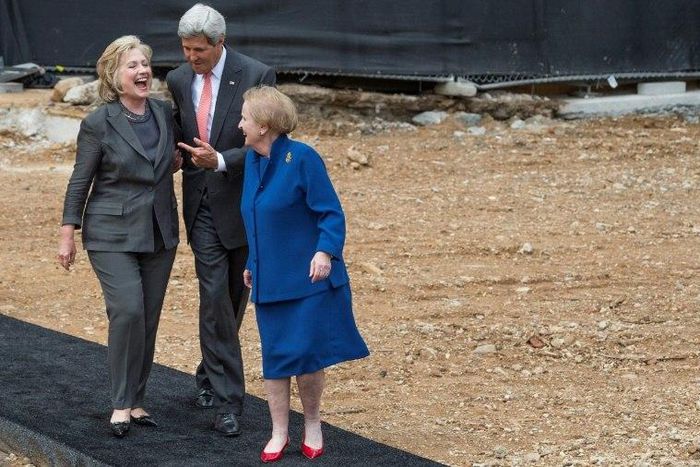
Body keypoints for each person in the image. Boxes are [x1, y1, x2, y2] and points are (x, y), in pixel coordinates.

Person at [57, 35, 180, 438]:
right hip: (110, 232)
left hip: (159, 231)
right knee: (127, 311)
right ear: (114, 74)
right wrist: (67, 234)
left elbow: (162, 165)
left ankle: (137, 400)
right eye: (132, 65)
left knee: (147, 318)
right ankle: (120, 403)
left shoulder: (163, 112)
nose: (142, 70)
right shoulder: (97, 121)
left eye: (145, 63)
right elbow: (81, 181)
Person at [239, 86, 370, 462]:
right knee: (276, 358)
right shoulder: (253, 160)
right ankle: (279, 432)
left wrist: (325, 251)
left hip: (309, 280)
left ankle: (312, 423)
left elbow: (331, 213)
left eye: (245, 118)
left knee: (308, 357)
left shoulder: (304, 158)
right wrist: (252, 261)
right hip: (270, 279)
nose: (240, 124)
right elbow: (258, 219)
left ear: (264, 126)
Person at [165, 4, 276, 436]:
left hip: (246, 205)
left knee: (232, 297)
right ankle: (230, 401)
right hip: (202, 208)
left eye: (199, 51)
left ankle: (208, 372)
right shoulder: (177, 79)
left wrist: (222, 160)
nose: (191, 58)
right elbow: (176, 134)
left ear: (220, 43)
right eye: (186, 49)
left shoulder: (257, 75)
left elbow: (271, 141)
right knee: (213, 298)